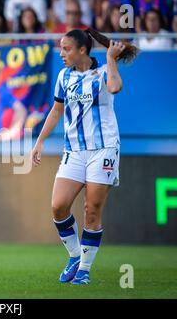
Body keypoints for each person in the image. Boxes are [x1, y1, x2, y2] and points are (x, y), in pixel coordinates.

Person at [31, 28, 138, 284]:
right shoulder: (63, 76)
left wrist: (111, 59)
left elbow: (115, 87)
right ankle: (76, 255)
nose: (62, 53)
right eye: (61, 48)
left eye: (66, 49)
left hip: (104, 149)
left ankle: (84, 270)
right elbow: (56, 111)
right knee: (58, 206)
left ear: (82, 50)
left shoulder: (102, 73)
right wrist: (40, 141)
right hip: (74, 151)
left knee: (92, 210)